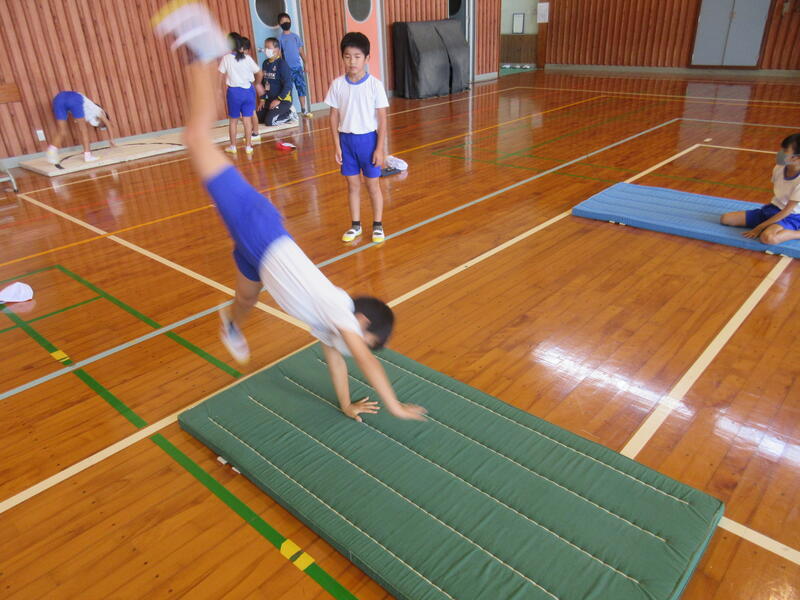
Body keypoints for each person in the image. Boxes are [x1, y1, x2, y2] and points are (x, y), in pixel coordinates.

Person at [152, 1, 425, 422]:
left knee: (246, 297)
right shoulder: (338, 311)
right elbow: (365, 362)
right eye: (365, 341)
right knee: (196, 139)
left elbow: (337, 362)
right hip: (260, 231)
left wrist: (346, 404)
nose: (356, 349)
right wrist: (395, 406)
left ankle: (231, 324)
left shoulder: (332, 326)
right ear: (361, 323)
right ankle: (203, 52)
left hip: (259, 254)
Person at [325, 32, 389, 244]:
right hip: (346, 142)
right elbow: (333, 116)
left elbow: (382, 119)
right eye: (347, 56)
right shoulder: (337, 85)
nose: (352, 61)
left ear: (367, 58)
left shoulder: (375, 85)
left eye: (357, 56)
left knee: (372, 186)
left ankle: (377, 225)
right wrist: (337, 146)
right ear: (342, 58)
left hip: (368, 142)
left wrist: (379, 149)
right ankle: (355, 225)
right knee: (352, 186)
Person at [720, 133, 800, 245]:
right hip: (773, 209)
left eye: (785, 150)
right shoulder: (779, 168)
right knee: (726, 219)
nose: (780, 153)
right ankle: (770, 224)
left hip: (790, 216)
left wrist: (760, 227)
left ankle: (797, 233)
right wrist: (765, 219)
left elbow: (787, 211)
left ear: (797, 157)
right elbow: (779, 195)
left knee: (768, 238)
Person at [218, 35, 262, 155]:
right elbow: (259, 73)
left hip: (234, 93)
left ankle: (233, 147)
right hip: (248, 91)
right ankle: (248, 147)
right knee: (247, 120)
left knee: (233, 121)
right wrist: (257, 83)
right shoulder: (247, 58)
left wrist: (218, 89)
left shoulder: (226, 58)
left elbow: (220, 75)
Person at [46, 91, 116, 164]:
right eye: (102, 126)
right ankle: (88, 156)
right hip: (75, 98)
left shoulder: (88, 111)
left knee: (62, 131)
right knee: (84, 131)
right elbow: (109, 124)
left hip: (58, 98)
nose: (100, 126)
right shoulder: (98, 110)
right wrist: (111, 140)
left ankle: (51, 150)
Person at [277, 11, 312, 117]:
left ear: (290, 21)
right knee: (288, 90)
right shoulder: (280, 39)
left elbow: (301, 52)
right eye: (283, 21)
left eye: (287, 21)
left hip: (298, 68)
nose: (286, 23)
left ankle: (303, 109)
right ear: (280, 24)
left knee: (301, 88)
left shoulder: (296, 37)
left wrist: (306, 63)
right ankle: (290, 111)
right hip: (287, 69)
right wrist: (280, 68)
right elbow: (279, 55)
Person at [257, 37, 296, 126]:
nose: (266, 50)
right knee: (258, 117)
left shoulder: (282, 64)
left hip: (283, 100)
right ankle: (273, 113)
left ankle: (290, 114)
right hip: (270, 100)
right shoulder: (265, 63)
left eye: (269, 48)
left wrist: (279, 99)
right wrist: (262, 99)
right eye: (265, 47)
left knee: (269, 121)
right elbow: (263, 83)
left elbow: (288, 85)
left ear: (277, 49)